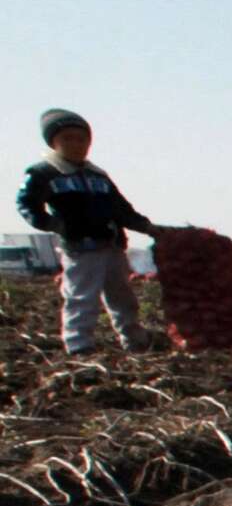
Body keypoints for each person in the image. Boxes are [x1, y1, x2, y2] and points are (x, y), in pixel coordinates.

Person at [16, 109, 162, 355]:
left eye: (81, 139)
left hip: (111, 244)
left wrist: (147, 227)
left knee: (123, 297)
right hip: (80, 247)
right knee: (82, 298)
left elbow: (121, 209)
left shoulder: (98, 176)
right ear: (54, 143)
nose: (76, 144)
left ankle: (134, 339)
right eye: (67, 139)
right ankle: (79, 345)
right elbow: (27, 204)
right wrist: (54, 224)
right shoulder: (45, 173)